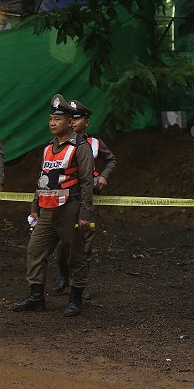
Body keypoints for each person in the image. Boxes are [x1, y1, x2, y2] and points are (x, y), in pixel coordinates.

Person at [11, 94, 94, 316]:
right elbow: (42, 179)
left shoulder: (81, 147)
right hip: (47, 211)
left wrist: (85, 215)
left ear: (69, 122)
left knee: (75, 255)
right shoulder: (48, 147)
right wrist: (34, 208)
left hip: (70, 210)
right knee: (35, 250)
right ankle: (36, 297)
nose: (52, 123)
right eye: (50, 119)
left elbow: (87, 183)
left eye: (57, 119)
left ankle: (75, 299)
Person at [50, 99, 117, 300]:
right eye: (71, 119)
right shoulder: (59, 142)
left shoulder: (95, 143)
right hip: (65, 198)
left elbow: (112, 159)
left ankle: (79, 284)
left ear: (86, 122)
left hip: (86, 198)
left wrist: (104, 175)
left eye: (77, 119)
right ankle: (64, 277)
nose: (73, 122)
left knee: (85, 241)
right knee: (63, 242)